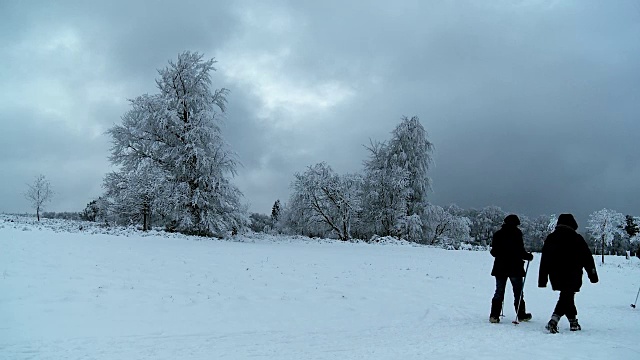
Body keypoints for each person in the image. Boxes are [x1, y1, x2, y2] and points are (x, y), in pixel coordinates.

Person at [538, 213, 598, 333]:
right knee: (567, 295)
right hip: (573, 273)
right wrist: (592, 275)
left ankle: (573, 321)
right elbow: (587, 258)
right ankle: (554, 321)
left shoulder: (551, 238)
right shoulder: (577, 238)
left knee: (567, 296)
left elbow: (545, 259)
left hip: (556, 274)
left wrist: (542, 279)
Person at [489, 214, 534, 323]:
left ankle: (494, 316)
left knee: (499, 291)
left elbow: (494, 252)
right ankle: (521, 315)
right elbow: (520, 251)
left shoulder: (498, 234)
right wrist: (528, 256)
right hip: (515, 267)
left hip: (500, 267)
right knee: (518, 292)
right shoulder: (517, 234)